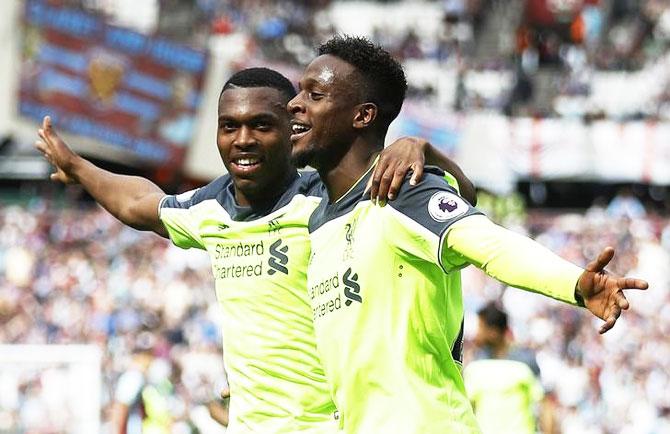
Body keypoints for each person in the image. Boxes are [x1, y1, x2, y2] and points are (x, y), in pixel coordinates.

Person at [34, 68, 475, 433]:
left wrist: (425, 149)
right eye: (230, 126)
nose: (243, 139)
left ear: (293, 130)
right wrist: (78, 167)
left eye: (262, 125)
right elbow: (139, 203)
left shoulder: (334, 199)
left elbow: (461, 199)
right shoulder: (210, 207)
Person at [287, 35, 648, 434]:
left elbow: (489, 242)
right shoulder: (318, 219)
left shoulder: (397, 193)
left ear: (362, 116)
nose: (294, 103)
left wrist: (573, 284)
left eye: (314, 94)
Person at [463, 302, 556, 434]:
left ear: (493, 332)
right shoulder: (475, 363)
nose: (476, 334)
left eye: (480, 328)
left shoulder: (525, 362)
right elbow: (468, 407)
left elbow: (545, 406)